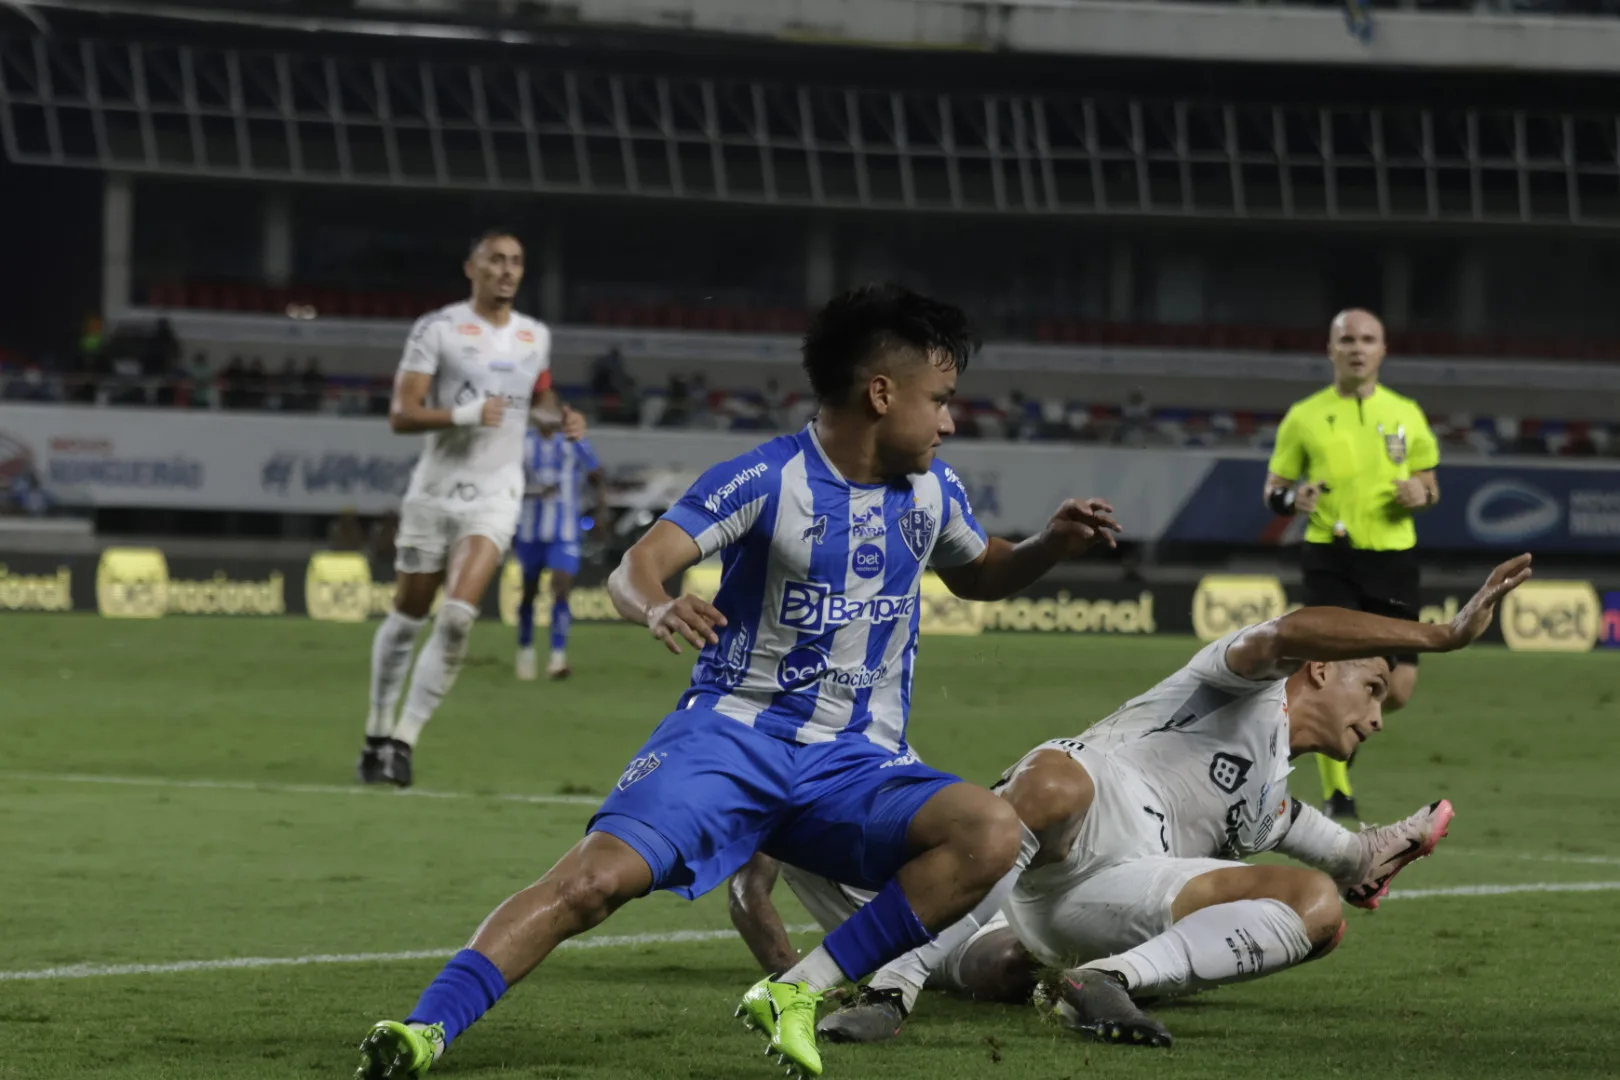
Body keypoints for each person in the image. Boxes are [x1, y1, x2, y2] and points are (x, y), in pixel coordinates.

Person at [354, 283, 1122, 1080]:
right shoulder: (766, 479)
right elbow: (637, 565)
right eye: (941, 400)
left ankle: (799, 990)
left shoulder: (933, 491)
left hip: (852, 762)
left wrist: (1046, 546)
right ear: (881, 392)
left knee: (991, 833)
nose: (950, 422)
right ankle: (423, 1031)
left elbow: (982, 570)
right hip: (731, 737)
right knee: (593, 882)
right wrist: (655, 609)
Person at [741, 555, 1530, 1048]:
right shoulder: (1238, 682)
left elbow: (1334, 853)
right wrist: (1439, 637)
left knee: (1317, 908)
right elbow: (1292, 627)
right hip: (1063, 828)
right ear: (1319, 671)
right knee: (1051, 782)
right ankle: (891, 985)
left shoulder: (1267, 797)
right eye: (1372, 688)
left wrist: (1372, 854)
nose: (1375, 717)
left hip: (1107, 901)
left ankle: (1104, 981)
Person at [353, 228, 583, 789]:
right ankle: (376, 731)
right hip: (434, 489)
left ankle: (404, 741)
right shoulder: (439, 329)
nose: (506, 270)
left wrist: (561, 418)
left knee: (457, 617)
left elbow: (539, 398)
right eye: (496, 260)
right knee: (408, 616)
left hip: (495, 493)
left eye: (515, 262)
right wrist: (463, 415)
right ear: (472, 268)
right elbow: (401, 415)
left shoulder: (534, 336)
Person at [1263, 308, 1440, 821]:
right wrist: (1292, 499)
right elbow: (1274, 489)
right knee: (1336, 672)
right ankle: (1337, 790)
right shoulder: (1305, 416)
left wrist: (1419, 492)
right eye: (1347, 340)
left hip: (1394, 558)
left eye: (1367, 339)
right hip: (1329, 555)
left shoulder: (1407, 412)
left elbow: (1431, 485)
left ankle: (1333, 751)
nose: (1357, 348)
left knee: (1397, 688)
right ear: (1331, 349)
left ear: (1383, 350)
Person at [514, 394, 608, 681]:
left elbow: (596, 473)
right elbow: (506, 483)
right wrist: (533, 493)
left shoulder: (573, 440)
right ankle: (526, 651)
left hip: (564, 530)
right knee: (529, 591)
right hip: (529, 529)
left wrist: (602, 510)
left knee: (561, 585)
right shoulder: (521, 444)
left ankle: (557, 657)